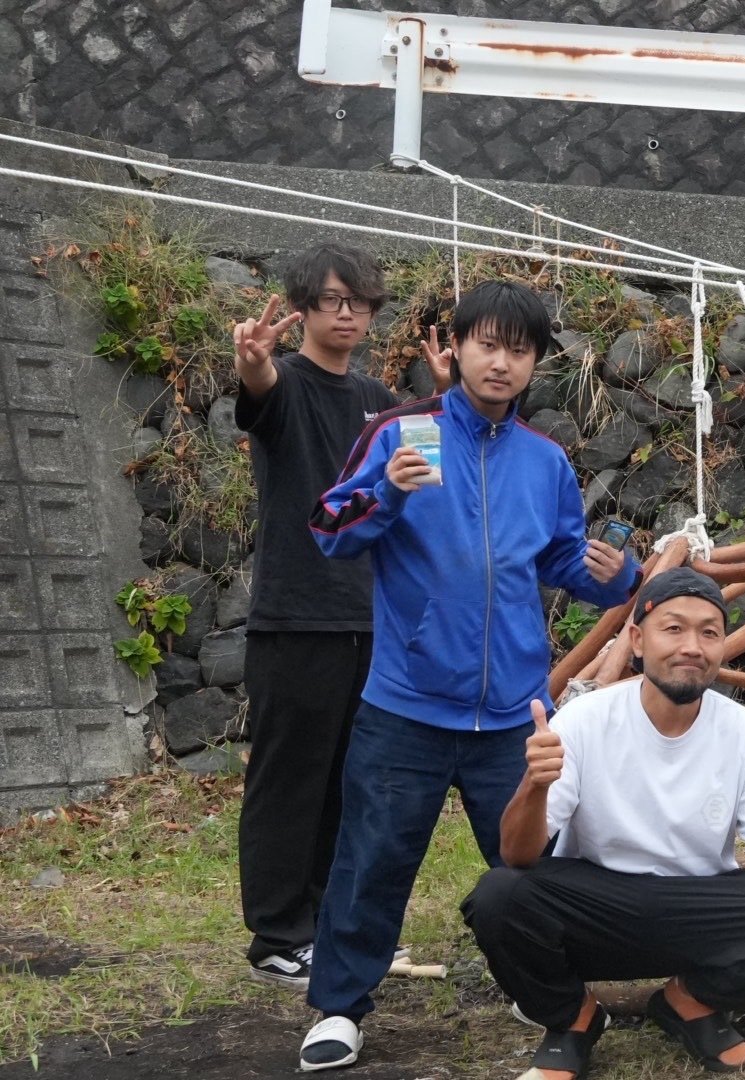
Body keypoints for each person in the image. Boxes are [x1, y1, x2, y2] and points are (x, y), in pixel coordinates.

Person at [296, 280, 637, 1072]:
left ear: (534, 365)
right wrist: (386, 490)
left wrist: (618, 577)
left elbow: (557, 560)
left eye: (519, 350)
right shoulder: (402, 433)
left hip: (516, 716)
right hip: (406, 706)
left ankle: (541, 988)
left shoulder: (546, 462)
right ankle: (341, 1007)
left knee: (529, 865)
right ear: (455, 349)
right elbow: (328, 530)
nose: (502, 362)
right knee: (373, 857)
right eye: (487, 344)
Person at [462, 568, 745, 1078]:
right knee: (499, 895)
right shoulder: (584, 720)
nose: (691, 646)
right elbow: (518, 856)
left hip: (696, 905)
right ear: (637, 640)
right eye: (673, 628)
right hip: (597, 905)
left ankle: (687, 1002)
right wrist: (534, 784)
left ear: (722, 648)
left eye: (709, 632)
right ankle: (573, 1019)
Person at [230, 242, 451, 988]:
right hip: (297, 617)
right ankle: (277, 937)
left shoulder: (384, 399)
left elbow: (427, 485)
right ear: (302, 308)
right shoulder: (285, 382)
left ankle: (335, 929)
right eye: (332, 299)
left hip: (372, 618)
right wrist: (254, 361)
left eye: (361, 300)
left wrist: (442, 400)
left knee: (353, 781)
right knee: (291, 779)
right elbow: (257, 390)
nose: (349, 312)